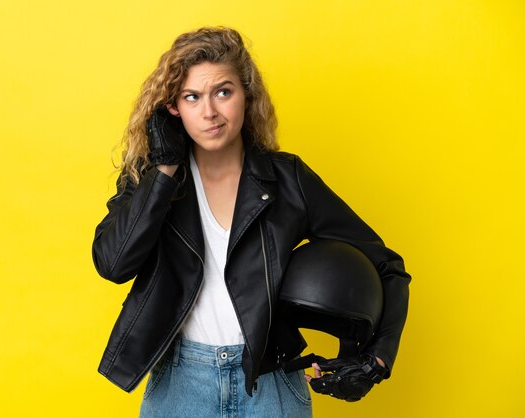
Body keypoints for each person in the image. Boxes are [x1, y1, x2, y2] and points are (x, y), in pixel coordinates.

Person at [92, 27, 411, 417]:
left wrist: (377, 359)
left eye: (223, 92)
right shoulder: (152, 178)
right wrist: (164, 171)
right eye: (192, 97)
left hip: (271, 383)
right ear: (173, 108)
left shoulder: (288, 179)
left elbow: (387, 266)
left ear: (246, 95)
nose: (209, 112)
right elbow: (113, 264)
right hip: (180, 384)